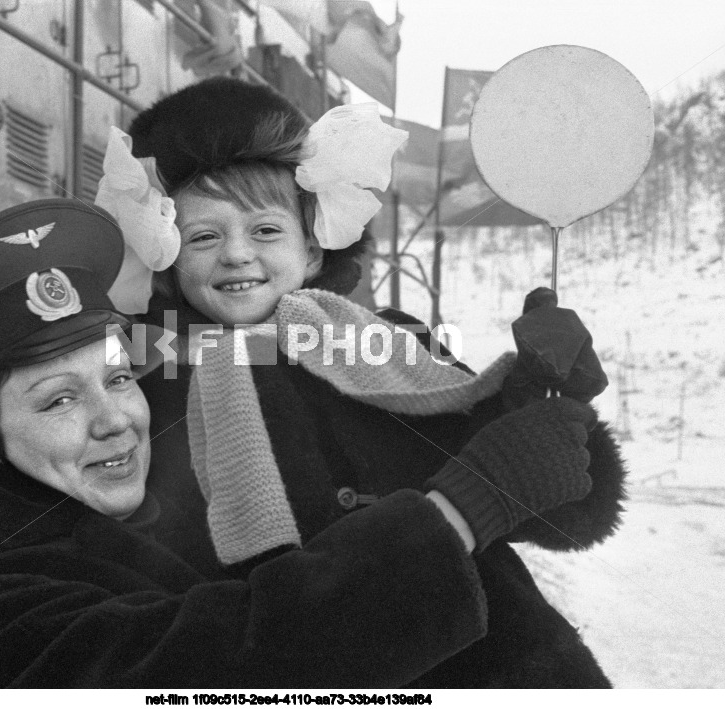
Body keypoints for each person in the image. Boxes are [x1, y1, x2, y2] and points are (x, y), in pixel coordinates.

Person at [0, 198, 600, 688]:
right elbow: (228, 661)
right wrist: (460, 510)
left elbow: (560, 503)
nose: (116, 418)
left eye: (118, 378)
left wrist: (526, 402)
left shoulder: (192, 469)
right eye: (57, 398)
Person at [105, 77, 627, 687]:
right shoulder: (138, 391)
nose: (236, 255)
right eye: (203, 236)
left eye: (266, 230)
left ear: (315, 247)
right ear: (162, 252)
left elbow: (570, 517)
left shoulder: (392, 348)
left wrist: (543, 402)